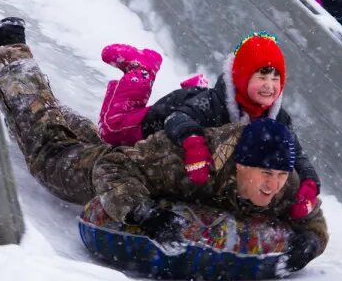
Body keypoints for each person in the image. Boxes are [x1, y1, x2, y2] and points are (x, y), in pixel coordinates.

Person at [0, 18, 327, 273]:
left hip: (149, 157)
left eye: (275, 76)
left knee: (77, 131)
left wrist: (310, 242)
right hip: (141, 149)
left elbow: (310, 209)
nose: (273, 184)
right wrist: (143, 212)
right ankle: (10, 51)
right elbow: (121, 164)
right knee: (50, 147)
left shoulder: (277, 155)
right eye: (261, 74)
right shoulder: (203, 130)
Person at [92, 32, 322, 220]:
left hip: (198, 110)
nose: (270, 86)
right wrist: (194, 145)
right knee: (111, 130)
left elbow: (297, 155)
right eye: (262, 77)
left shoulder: (278, 118)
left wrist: (310, 185)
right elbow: (176, 120)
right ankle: (141, 69)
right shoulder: (215, 104)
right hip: (167, 117)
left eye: (276, 79)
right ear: (242, 76)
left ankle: (195, 84)